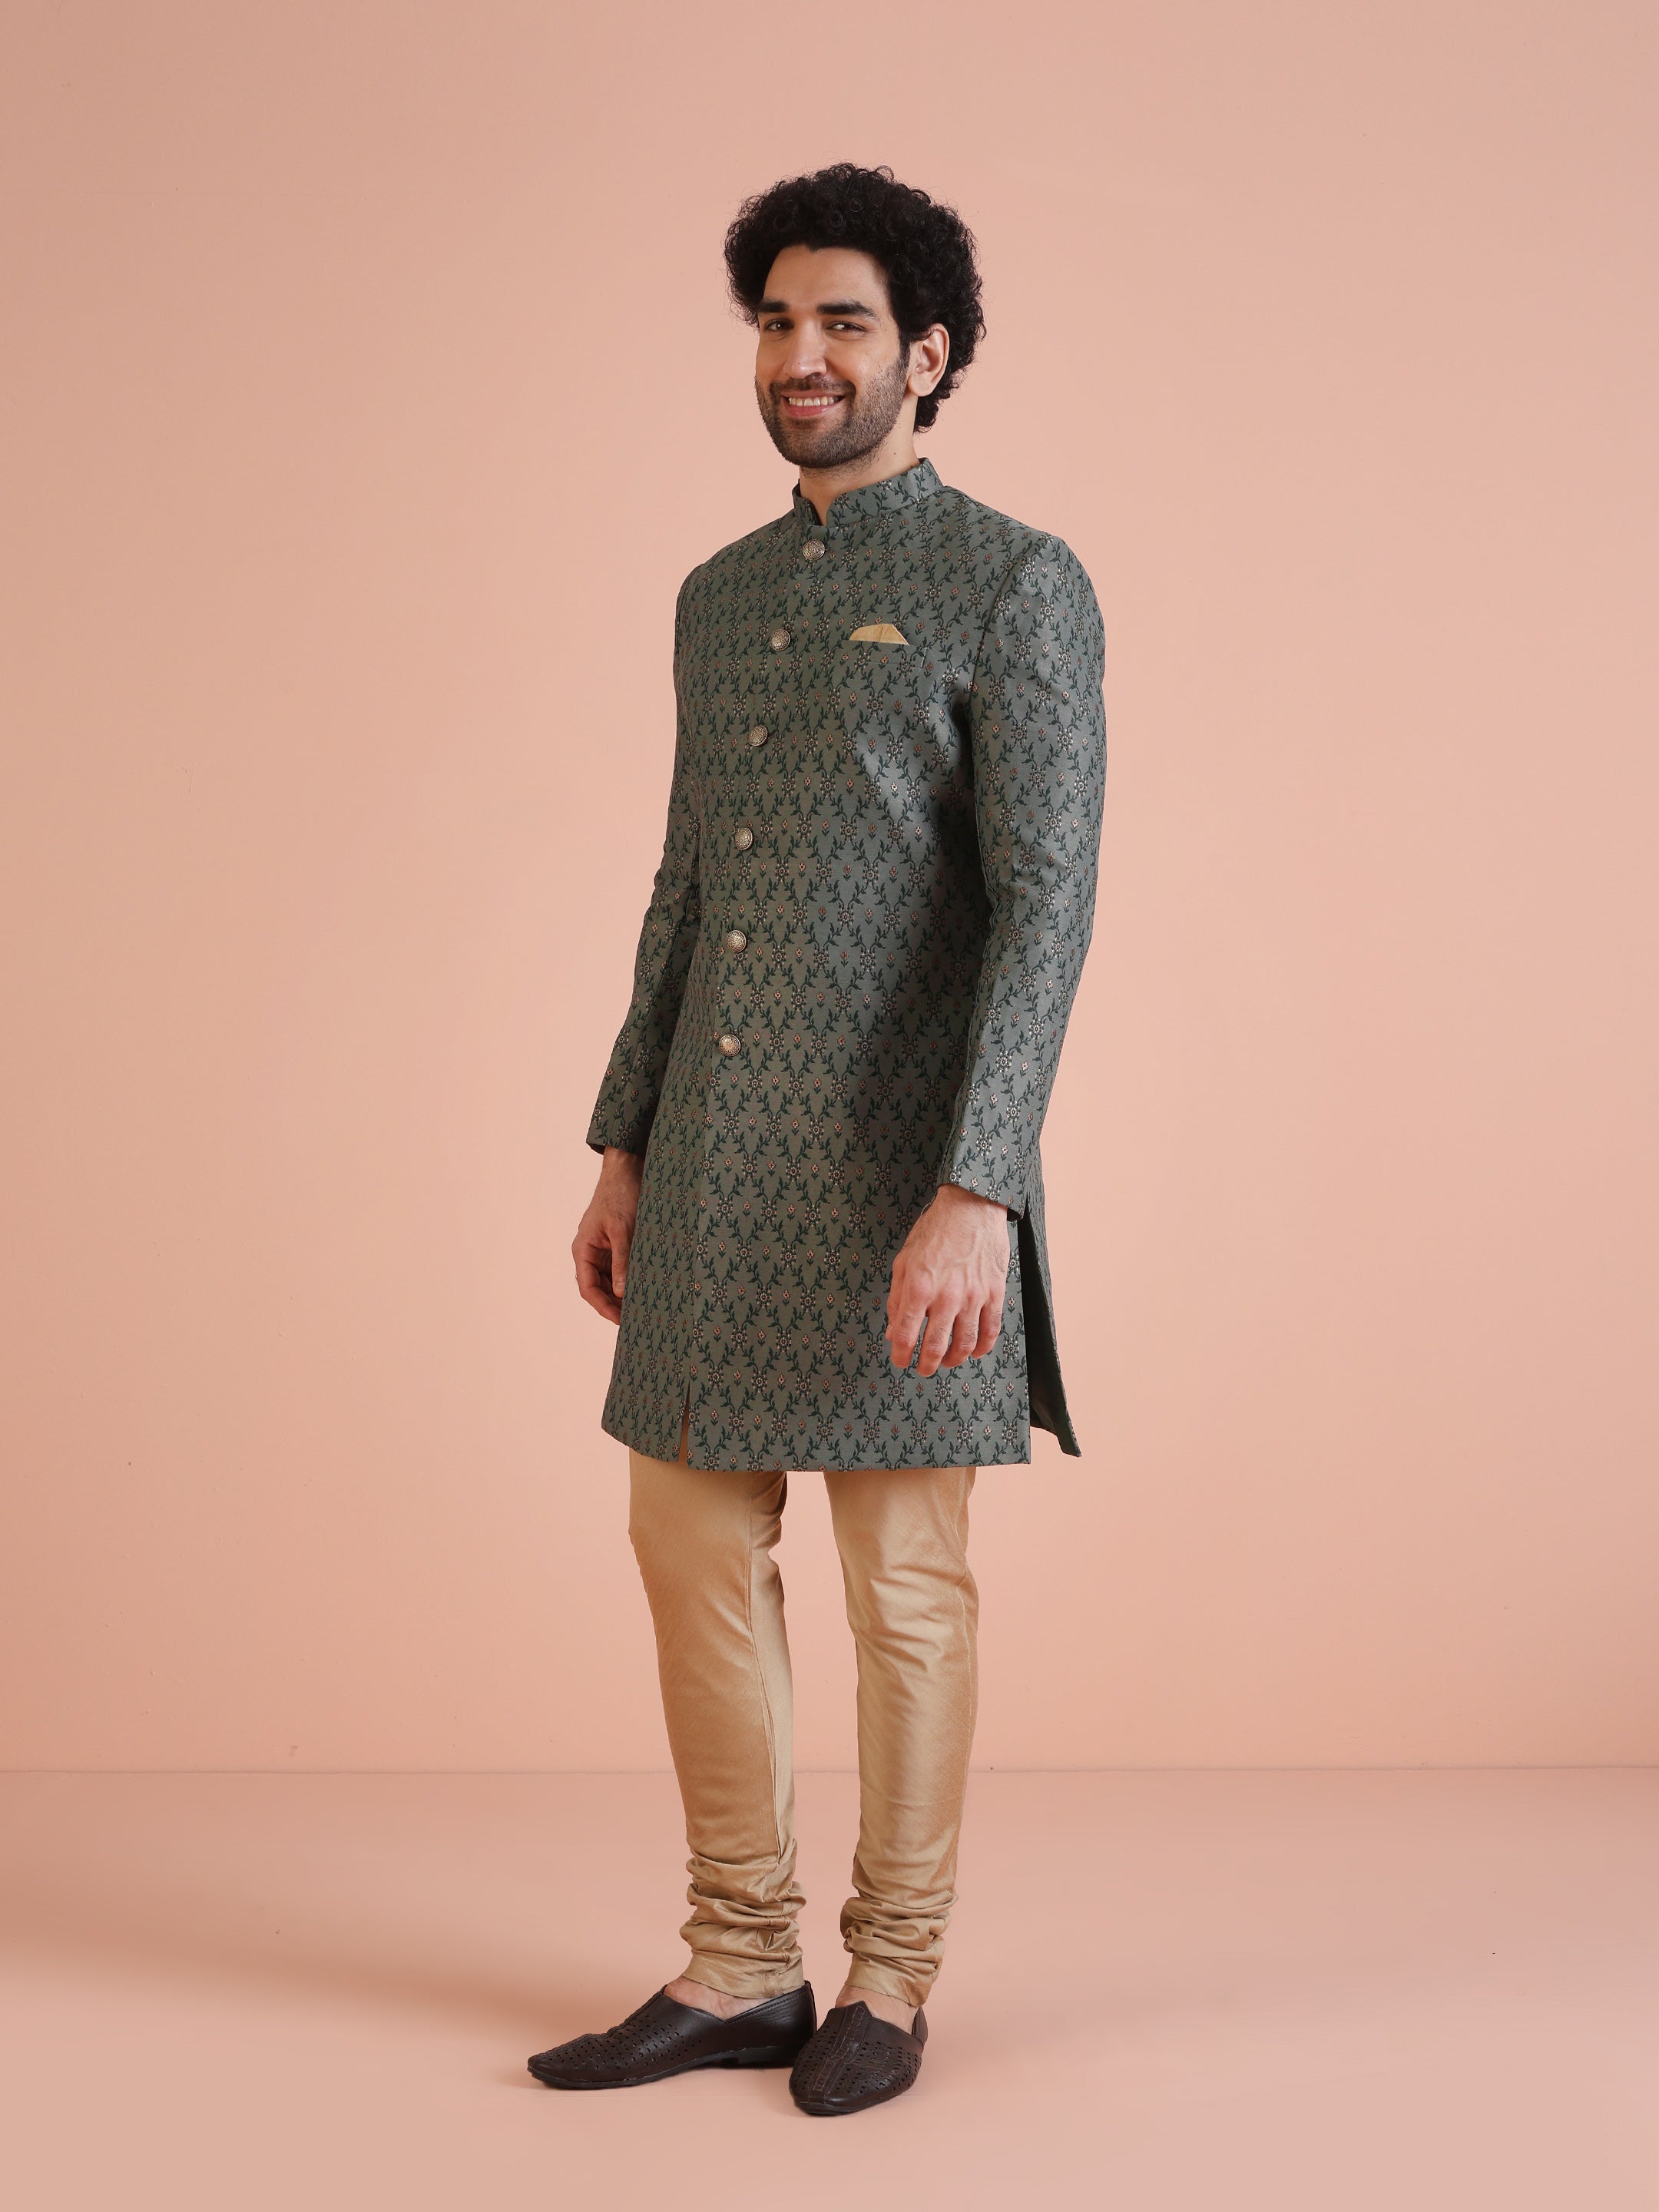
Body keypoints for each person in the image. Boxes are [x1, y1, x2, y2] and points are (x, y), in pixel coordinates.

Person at [529, 163, 1107, 2117]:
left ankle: (895, 1979)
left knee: (905, 1588)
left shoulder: (1015, 581)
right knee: (686, 1541)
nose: (804, 354)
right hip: (712, 1156)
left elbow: (1044, 907)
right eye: (778, 320)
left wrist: (982, 1186)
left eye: (846, 322)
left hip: (906, 1175)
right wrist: (623, 1139)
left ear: (925, 356)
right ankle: (738, 1961)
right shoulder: (719, 597)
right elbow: (685, 886)